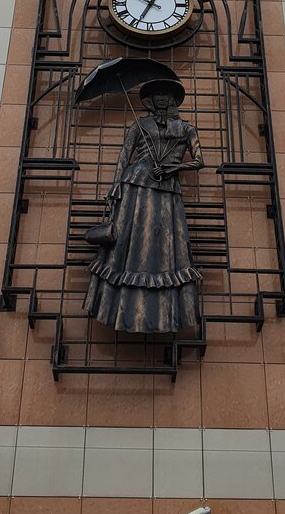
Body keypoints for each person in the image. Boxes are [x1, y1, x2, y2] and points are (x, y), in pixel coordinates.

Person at [84, 78, 203, 333]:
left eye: (165, 93)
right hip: (135, 186)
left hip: (167, 189)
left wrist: (173, 167)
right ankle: (121, 308)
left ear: (172, 99)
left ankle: (164, 312)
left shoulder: (186, 129)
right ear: (150, 100)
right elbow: (124, 154)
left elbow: (199, 161)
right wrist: (116, 184)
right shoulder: (140, 125)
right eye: (156, 94)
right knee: (131, 242)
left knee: (166, 247)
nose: (160, 98)